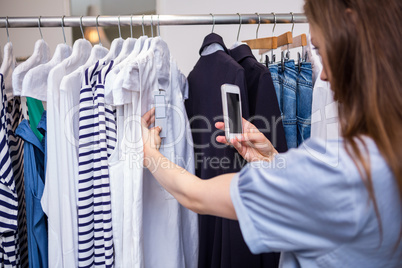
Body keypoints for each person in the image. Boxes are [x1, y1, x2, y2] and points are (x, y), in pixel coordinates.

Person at [140, 0, 402, 267]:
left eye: (321, 51)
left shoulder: (339, 173)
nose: (322, 76)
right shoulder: (385, 156)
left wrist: (150, 154)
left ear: (353, 29)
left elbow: (195, 195)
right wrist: (273, 160)